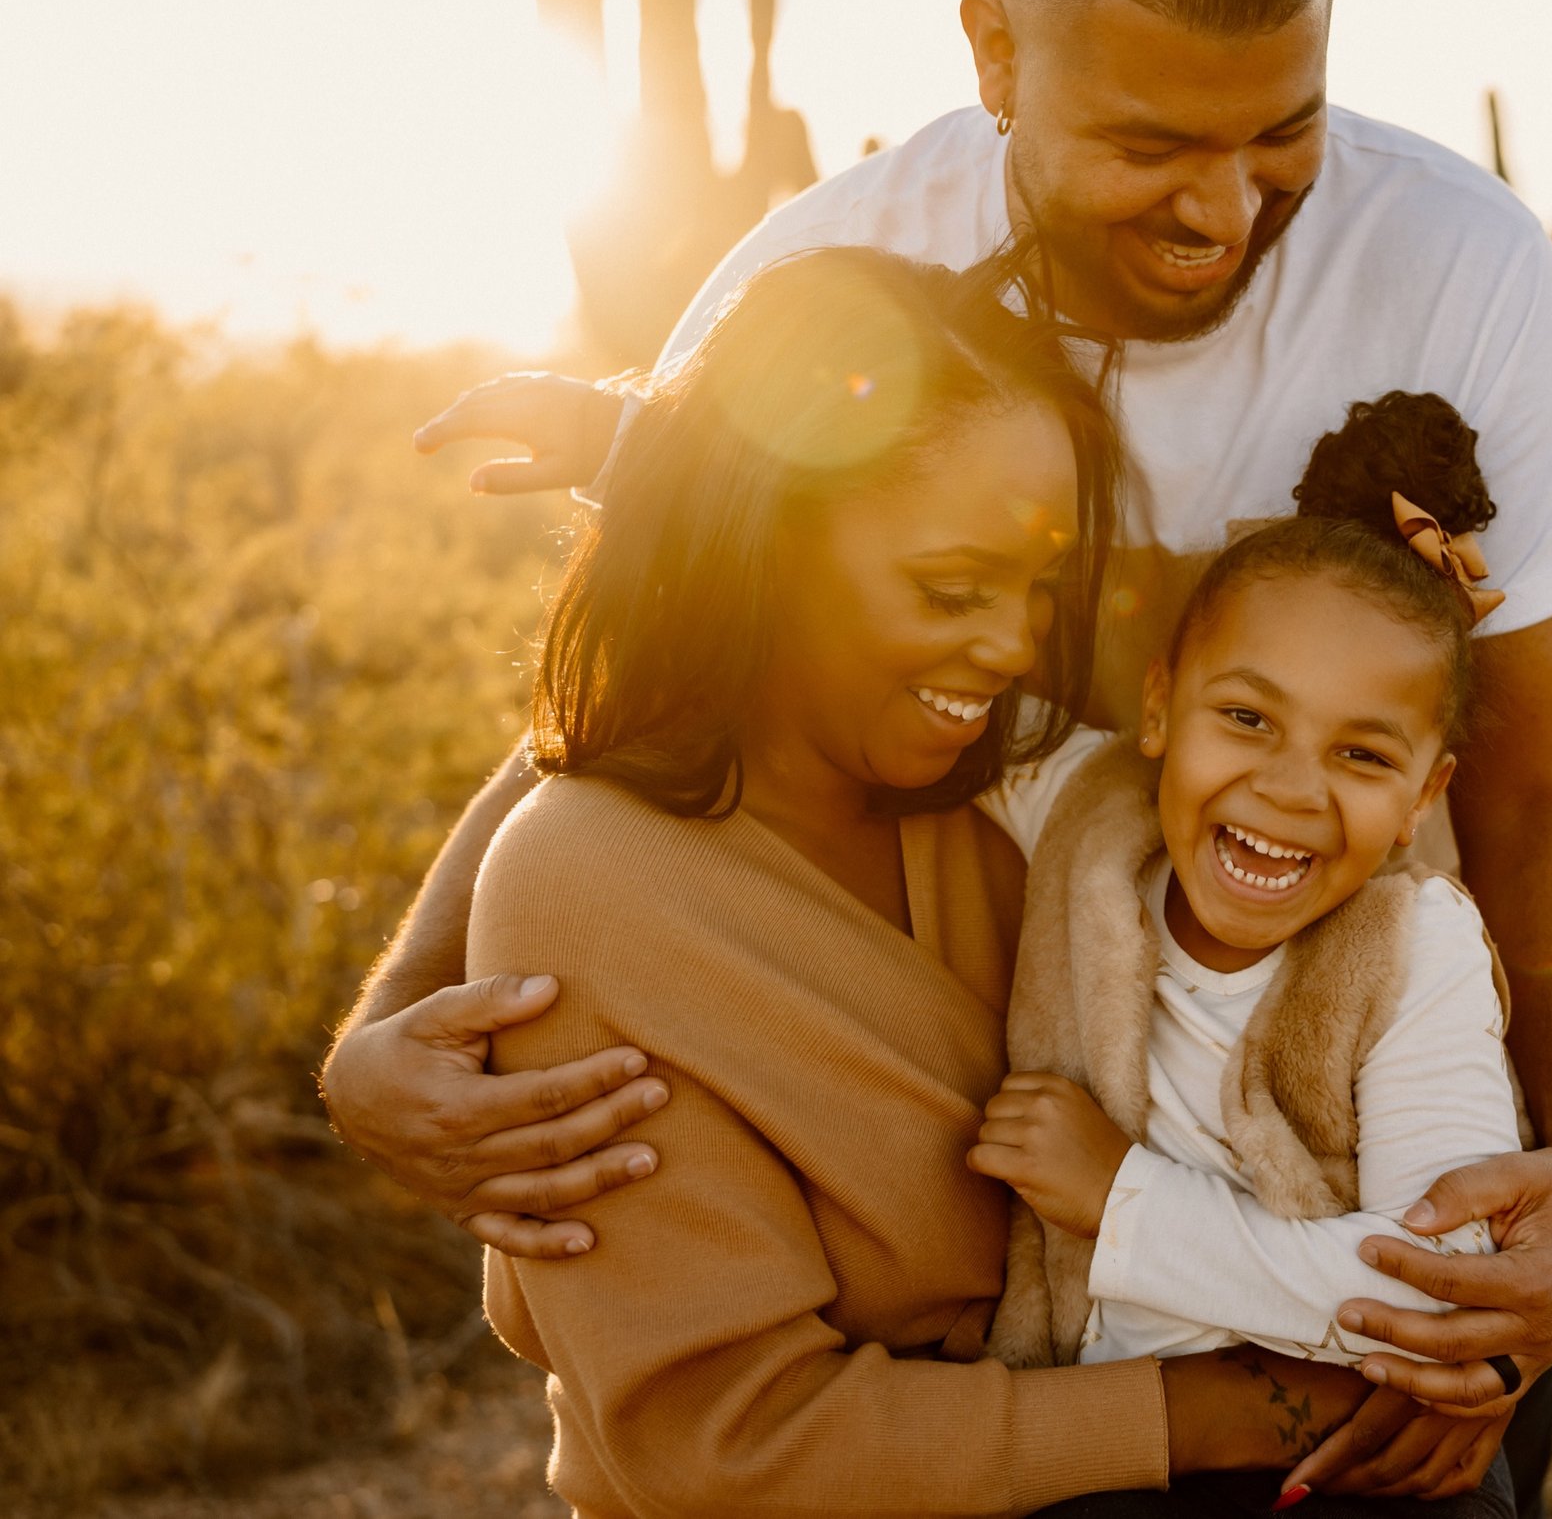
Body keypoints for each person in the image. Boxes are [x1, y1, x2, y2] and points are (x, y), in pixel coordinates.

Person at [322, 0, 1552, 1505]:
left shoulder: (1458, 270)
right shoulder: (828, 273)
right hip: (1036, 1250)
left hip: (1321, 1093)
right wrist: (388, 1023)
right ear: (997, 56)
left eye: (1279, 140)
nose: (1221, 211)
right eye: (1148, 145)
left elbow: (1545, 788)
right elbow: (650, 688)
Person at [467, 242, 1389, 1515]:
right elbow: (729, 1446)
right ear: (763, 541)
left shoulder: (1028, 798)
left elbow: (1361, 971)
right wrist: (1221, 1413)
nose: (1012, 648)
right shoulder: (584, 890)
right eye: (951, 589)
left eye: (1037, 589)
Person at [972, 394, 1529, 1515]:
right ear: (1161, 708)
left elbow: (1438, 1294)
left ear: (1425, 795)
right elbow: (852, 676)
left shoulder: (1414, 949)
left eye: (1362, 754)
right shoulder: (1085, 820)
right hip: (1094, 1444)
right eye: (1248, 719)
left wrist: (1119, 1199)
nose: (1287, 789)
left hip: (1339, 1473)